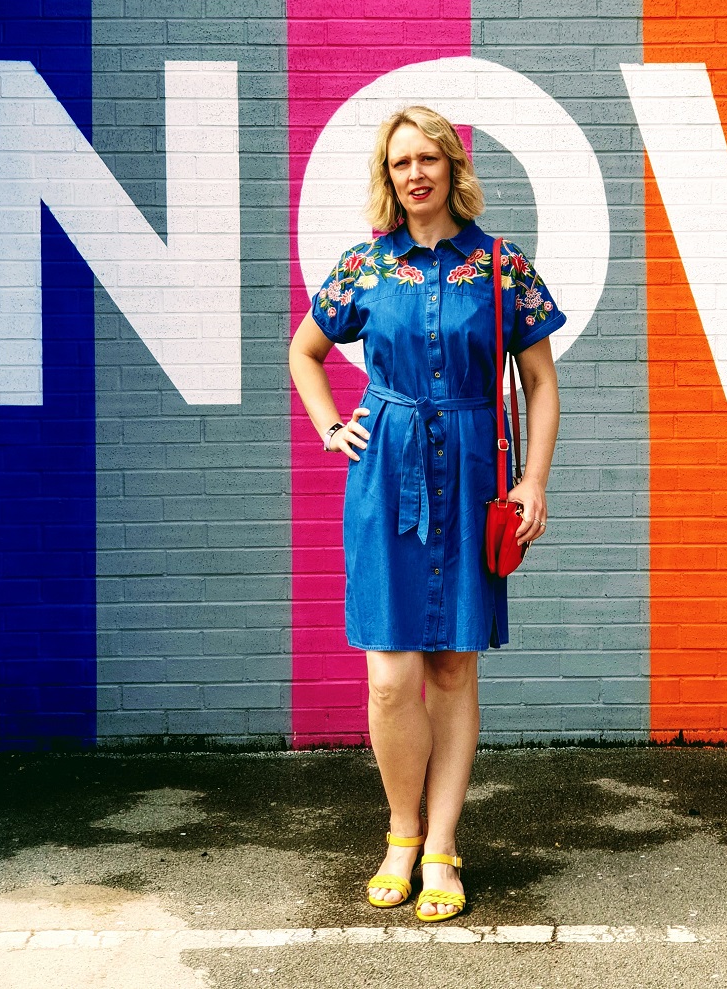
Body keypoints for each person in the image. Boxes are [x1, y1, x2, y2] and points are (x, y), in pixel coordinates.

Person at [289, 105, 565, 922]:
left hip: (474, 470)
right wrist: (332, 424)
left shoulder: (500, 264)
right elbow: (305, 351)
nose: (415, 174)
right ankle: (399, 830)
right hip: (386, 475)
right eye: (400, 162)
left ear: (452, 167)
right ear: (389, 176)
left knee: (452, 667)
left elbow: (543, 382)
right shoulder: (365, 267)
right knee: (389, 678)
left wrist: (535, 480)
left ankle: (441, 842)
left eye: (428, 159)